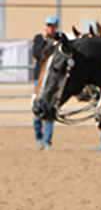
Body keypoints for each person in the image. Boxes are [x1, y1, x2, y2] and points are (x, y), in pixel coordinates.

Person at [33, 16, 59, 151]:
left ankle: (47, 140)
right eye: (49, 26)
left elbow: (57, 53)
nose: (50, 28)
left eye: (53, 26)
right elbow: (38, 54)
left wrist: (51, 41)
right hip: (40, 77)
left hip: (52, 79)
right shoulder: (39, 39)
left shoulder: (59, 39)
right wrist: (44, 41)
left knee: (50, 108)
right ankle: (38, 137)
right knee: (37, 108)